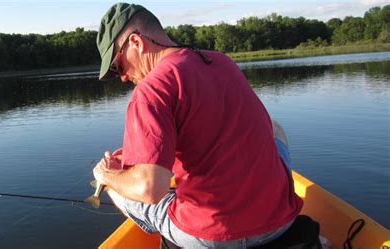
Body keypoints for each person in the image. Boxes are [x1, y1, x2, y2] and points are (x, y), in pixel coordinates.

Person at [92, 3, 303, 248]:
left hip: (214, 236)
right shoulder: (220, 61)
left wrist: (107, 175)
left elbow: (150, 189)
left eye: (118, 66)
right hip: (281, 221)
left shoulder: (149, 91)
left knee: (115, 188)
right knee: (275, 128)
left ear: (137, 43)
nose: (123, 77)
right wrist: (136, 156)